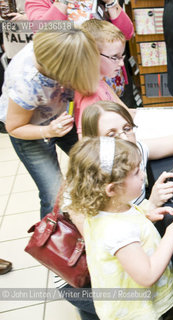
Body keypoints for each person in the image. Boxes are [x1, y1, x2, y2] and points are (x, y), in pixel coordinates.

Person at [64, 136, 173, 320]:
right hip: (140, 311)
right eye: (134, 173)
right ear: (111, 189)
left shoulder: (108, 208)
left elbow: (125, 227)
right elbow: (147, 275)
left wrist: (146, 216)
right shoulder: (116, 230)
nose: (142, 174)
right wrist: (170, 236)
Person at [0, 28, 99, 218]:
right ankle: (55, 243)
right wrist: (49, 130)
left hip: (59, 117)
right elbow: (14, 127)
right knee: (54, 194)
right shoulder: (26, 82)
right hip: (28, 129)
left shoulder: (62, 44)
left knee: (97, 162)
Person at [81, 101, 173, 208]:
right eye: (111, 135)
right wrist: (152, 204)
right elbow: (119, 228)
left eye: (127, 128)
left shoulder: (137, 149)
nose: (125, 138)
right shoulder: (95, 181)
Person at [25, 0, 134, 98]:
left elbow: (126, 34)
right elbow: (43, 34)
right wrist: (62, 2)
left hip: (108, 76)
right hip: (71, 80)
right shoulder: (39, 1)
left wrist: (111, 3)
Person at [74, 19, 130, 137]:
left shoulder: (99, 82)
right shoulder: (91, 97)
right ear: (92, 55)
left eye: (122, 56)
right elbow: (87, 142)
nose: (121, 64)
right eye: (115, 57)